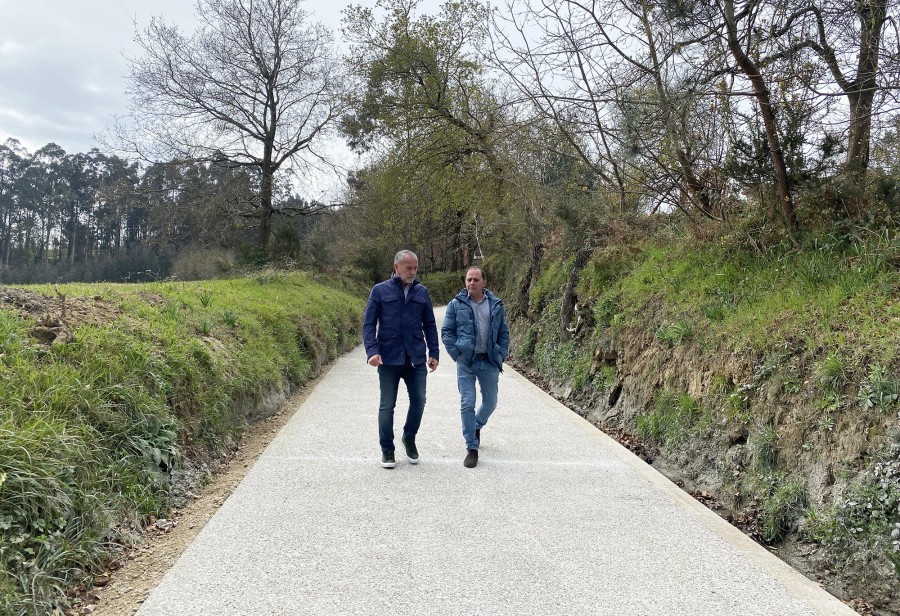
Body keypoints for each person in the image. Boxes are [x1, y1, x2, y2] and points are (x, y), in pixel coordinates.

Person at [363, 250, 440, 469]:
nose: (413, 272)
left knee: (419, 401)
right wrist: (371, 351)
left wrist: (433, 352)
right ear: (396, 267)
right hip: (388, 358)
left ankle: (409, 438)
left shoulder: (422, 292)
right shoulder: (379, 291)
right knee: (387, 405)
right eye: (409, 268)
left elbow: (430, 325)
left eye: (415, 268)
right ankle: (387, 449)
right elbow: (369, 324)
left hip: (415, 358)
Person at [441, 266, 509, 468]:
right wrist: (457, 355)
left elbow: (503, 331)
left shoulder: (496, 305)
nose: (471, 283)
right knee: (467, 403)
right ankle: (472, 447)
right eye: (469, 279)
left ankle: (476, 425)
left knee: (491, 403)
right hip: (467, 362)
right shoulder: (455, 304)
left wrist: (501, 352)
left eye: (476, 279)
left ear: (484, 282)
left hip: (489, 361)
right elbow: (447, 331)